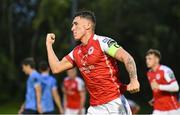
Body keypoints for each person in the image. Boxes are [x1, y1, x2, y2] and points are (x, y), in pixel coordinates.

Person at [46, 10, 140, 114]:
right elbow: (56, 68)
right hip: (95, 108)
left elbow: (127, 57)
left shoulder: (103, 42)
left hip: (115, 103)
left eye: (76, 24)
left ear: (88, 25)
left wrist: (134, 79)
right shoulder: (76, 52)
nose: (72, 28)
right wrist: (49, 45)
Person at [146, 49, 180, 114]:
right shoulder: (149, 73)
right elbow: (156, 90)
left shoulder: (165, 70)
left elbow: (176, 87)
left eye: (150, 59)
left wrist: (159, 86)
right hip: (158, 108)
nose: (147, 61)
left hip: (172, 108)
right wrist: (154, 98)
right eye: (146, 59)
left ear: (157, 60)